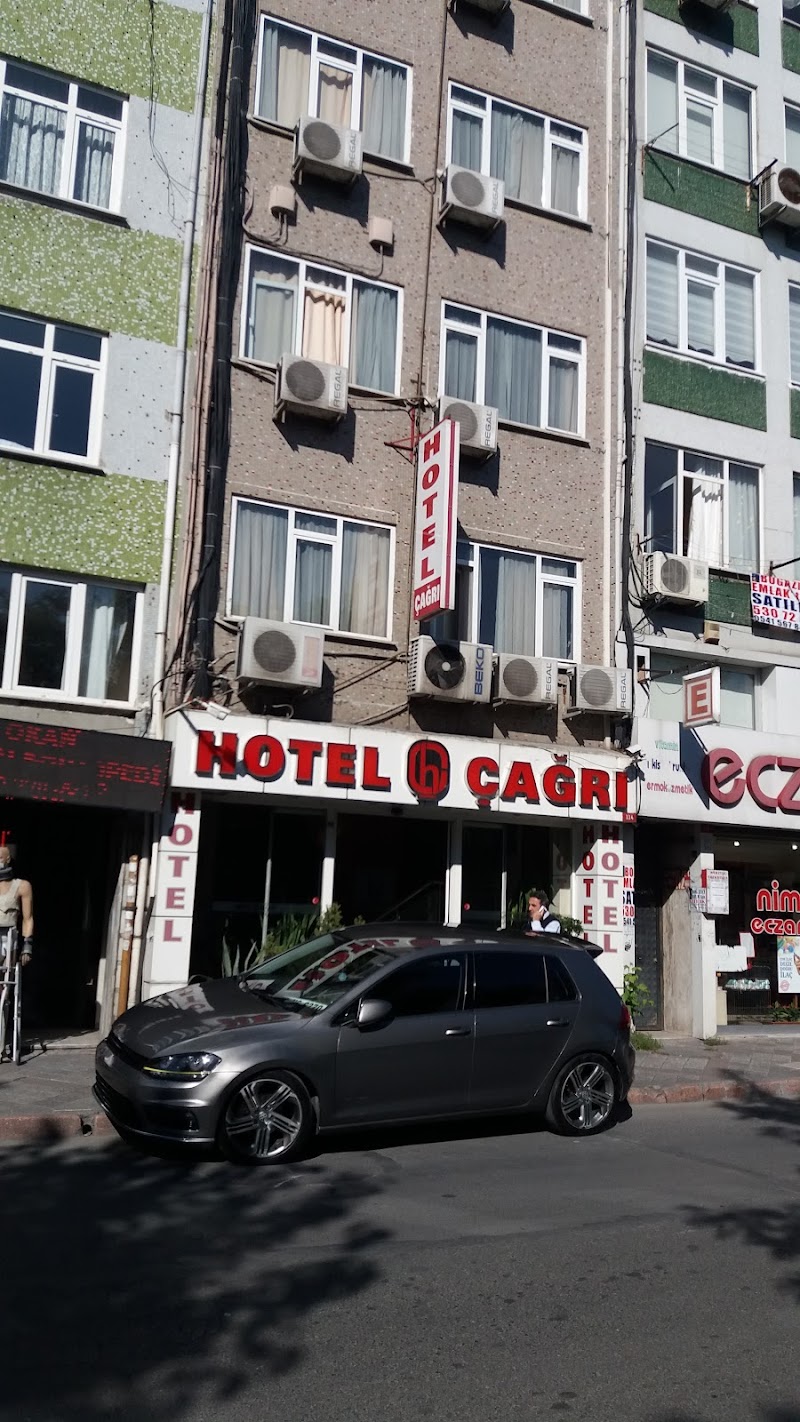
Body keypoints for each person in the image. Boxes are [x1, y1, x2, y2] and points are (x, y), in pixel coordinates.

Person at [0, 844, 33, 1060]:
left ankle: (1, 1044)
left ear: (8, 859)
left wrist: (27, 945)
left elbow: (28, 918)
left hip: (7, 939)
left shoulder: (21, 886)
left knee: (4, 993)